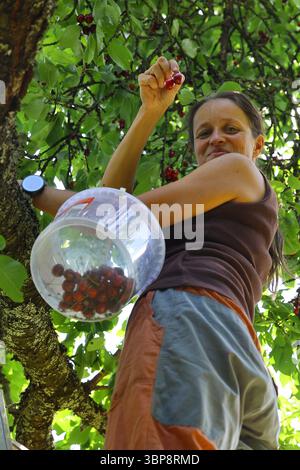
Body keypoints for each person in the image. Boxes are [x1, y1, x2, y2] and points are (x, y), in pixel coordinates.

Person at [25, 56, 284, 450]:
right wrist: (150, 113)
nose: (215, 138)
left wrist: (34, 190)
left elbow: (113, 214)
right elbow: (110, 199)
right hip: (241, 363)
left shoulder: (240, 170)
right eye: (204, 132)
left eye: (230, 129)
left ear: (258, 145)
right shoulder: (215, 208)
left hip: (191, 323)